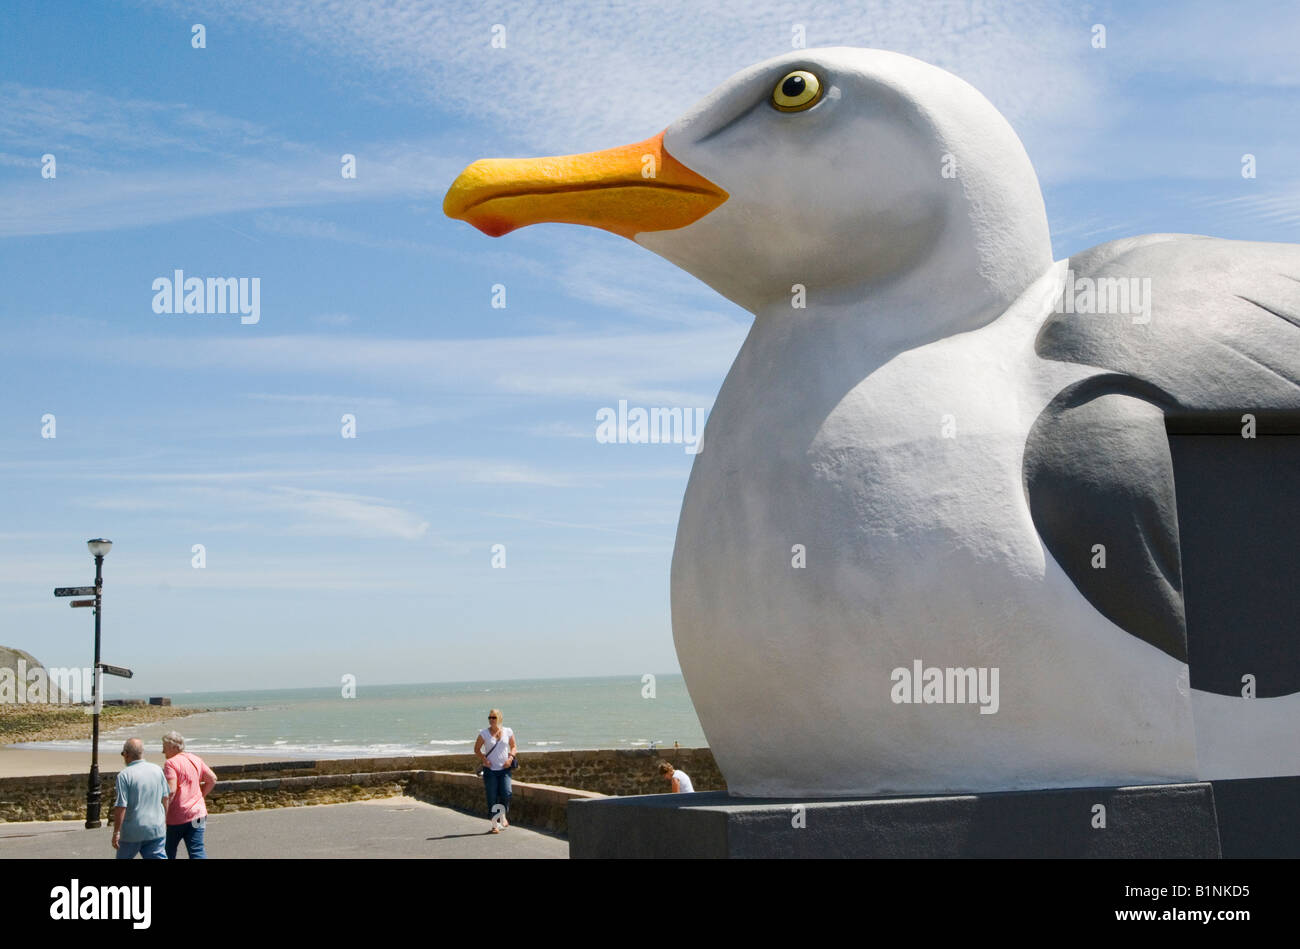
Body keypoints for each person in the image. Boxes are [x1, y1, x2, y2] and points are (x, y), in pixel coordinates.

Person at [161, 731, 218, 859]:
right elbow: (212, 779)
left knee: (168, 850)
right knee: (197, 850)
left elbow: (171, 791)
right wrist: (199, 796)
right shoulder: (195, 759)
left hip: (178, 816)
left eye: (164, 747)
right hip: (198, 813)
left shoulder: (171, 763)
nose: (163, 751)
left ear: (174, 747)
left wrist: (163, 813)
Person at [111, 737, 170, 859]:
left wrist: (117, 832)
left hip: (132, 831)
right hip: (155, 827)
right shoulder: (157, 770)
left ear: (126, 755)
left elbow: (121, 805)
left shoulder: (124, 775)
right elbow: (165, 798)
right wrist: (165, 820)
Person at [474, 708, 516, 833]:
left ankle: (502, 815)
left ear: (500, 718)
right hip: (490, 770)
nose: (491, 720)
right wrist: (484, 759)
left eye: (494, 717)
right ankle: (494, 824)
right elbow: (476, 749)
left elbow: (513, 746)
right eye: (490, 717)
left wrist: (510, 758)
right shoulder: (484, 733)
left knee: (506, 793)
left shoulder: (508, 731)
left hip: (504, 769)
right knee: (492, 797)